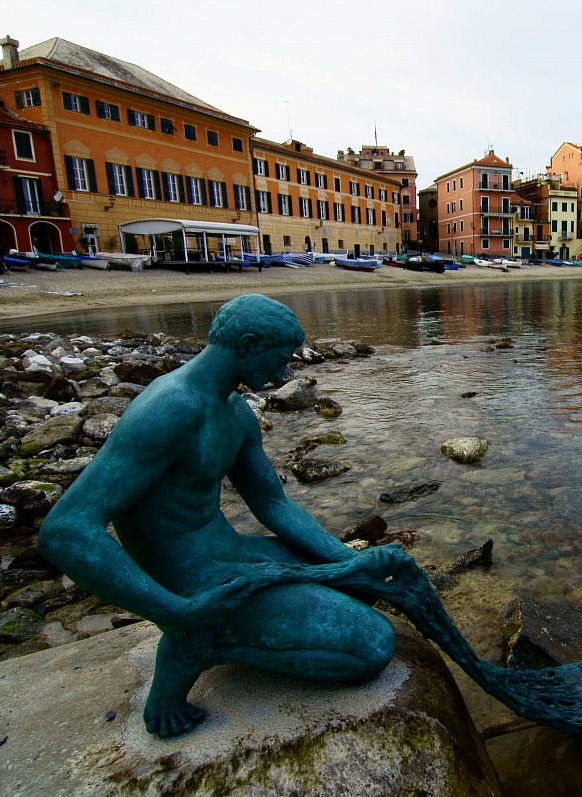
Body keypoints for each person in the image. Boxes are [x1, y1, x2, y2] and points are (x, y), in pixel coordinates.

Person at [39, 294, 413, 737]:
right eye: (280, 358)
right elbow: (66, 530)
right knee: (374, 646)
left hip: (232, 555)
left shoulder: (235, 412)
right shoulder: (170, 408)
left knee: (362, 586)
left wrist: (352, 562)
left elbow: (274, 505)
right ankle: (198, 643)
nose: (283, 373)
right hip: (194, 585)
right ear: (249, 344)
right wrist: (178, 611)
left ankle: (224, 629)